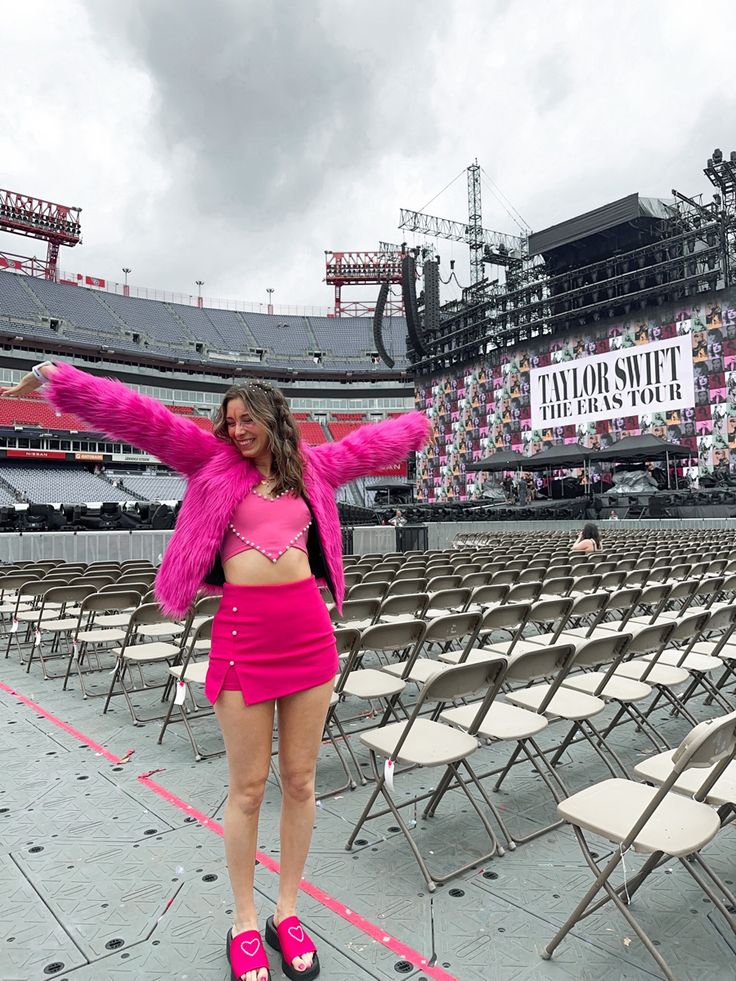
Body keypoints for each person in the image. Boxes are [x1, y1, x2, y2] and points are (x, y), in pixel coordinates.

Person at [1, 360, 431, 981]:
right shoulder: (212, 464)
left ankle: (287, 911)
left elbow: (372, 444)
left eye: (247, 419)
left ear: (274, 418)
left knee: (303, 782)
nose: (237, 431)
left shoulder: (315, 469)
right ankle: (243, 919)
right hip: (243, 638)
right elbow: (144, 420)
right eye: (229, 422)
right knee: (249, 789)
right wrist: (60, 381)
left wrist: (422, 423)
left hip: (311, 638)